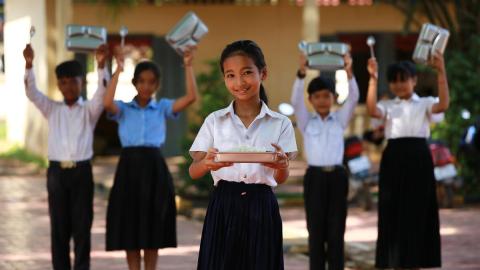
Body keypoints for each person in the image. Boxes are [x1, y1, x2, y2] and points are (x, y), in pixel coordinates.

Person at [189, 40, 297, 270]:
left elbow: (280, 178)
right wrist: (208, 164)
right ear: (224, 78)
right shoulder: (215, 121)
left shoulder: (280, 124)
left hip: (262, 204)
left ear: (263, 73)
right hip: (224, 204)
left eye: (247, 72)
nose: (239, 82)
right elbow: (194, 170)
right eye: (230, 75)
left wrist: (281, 165)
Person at [104, 46, 198, 270]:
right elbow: (106, 103)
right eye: (142, 81)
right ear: (135, 83)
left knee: (152, 227)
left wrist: (188, 65)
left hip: (154, 169)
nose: (146, 86)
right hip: (128, 170)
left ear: (157, 85)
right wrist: (117, 70)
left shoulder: (162, 108)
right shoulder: (124, 109)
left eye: (152, 82)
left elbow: (191, 97)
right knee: (130, 227)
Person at [23, 43, 109, 270]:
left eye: (73, 81)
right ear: (58, 85)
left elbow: (102, 93)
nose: (68, 86)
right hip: (57, 174)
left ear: (82, 82)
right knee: (59, 228)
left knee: (82, 228)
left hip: (81, 172)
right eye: (63, 82)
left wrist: (101, 65)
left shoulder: (89, 111)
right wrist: (29, 65)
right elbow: (32, 93)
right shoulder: (52, 109)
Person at [366, 53, 449, 269]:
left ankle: (416, 261)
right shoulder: (388, 106)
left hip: (420, 159)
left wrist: (441, 71)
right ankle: (394, 261)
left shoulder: (425, 103)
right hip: (393, 158)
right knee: (392, 211)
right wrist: (373, 79)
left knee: (418, 211)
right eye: (394, 80)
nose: (399, 84)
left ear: (414, 80)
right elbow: (372, 110)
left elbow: (443, 106)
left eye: (404, 79)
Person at [291, 53, 359, 270]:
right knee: (316, 230)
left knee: (337, 230)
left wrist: (349, 73)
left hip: (337, 177)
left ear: (334, 98)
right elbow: (295, 101)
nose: (322, 100)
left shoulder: (339, 120)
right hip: (315, 178)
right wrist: (302, 74)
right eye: (317, 96)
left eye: (326, 96)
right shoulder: (306, 122)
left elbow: (354, 97)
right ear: (310, 100)